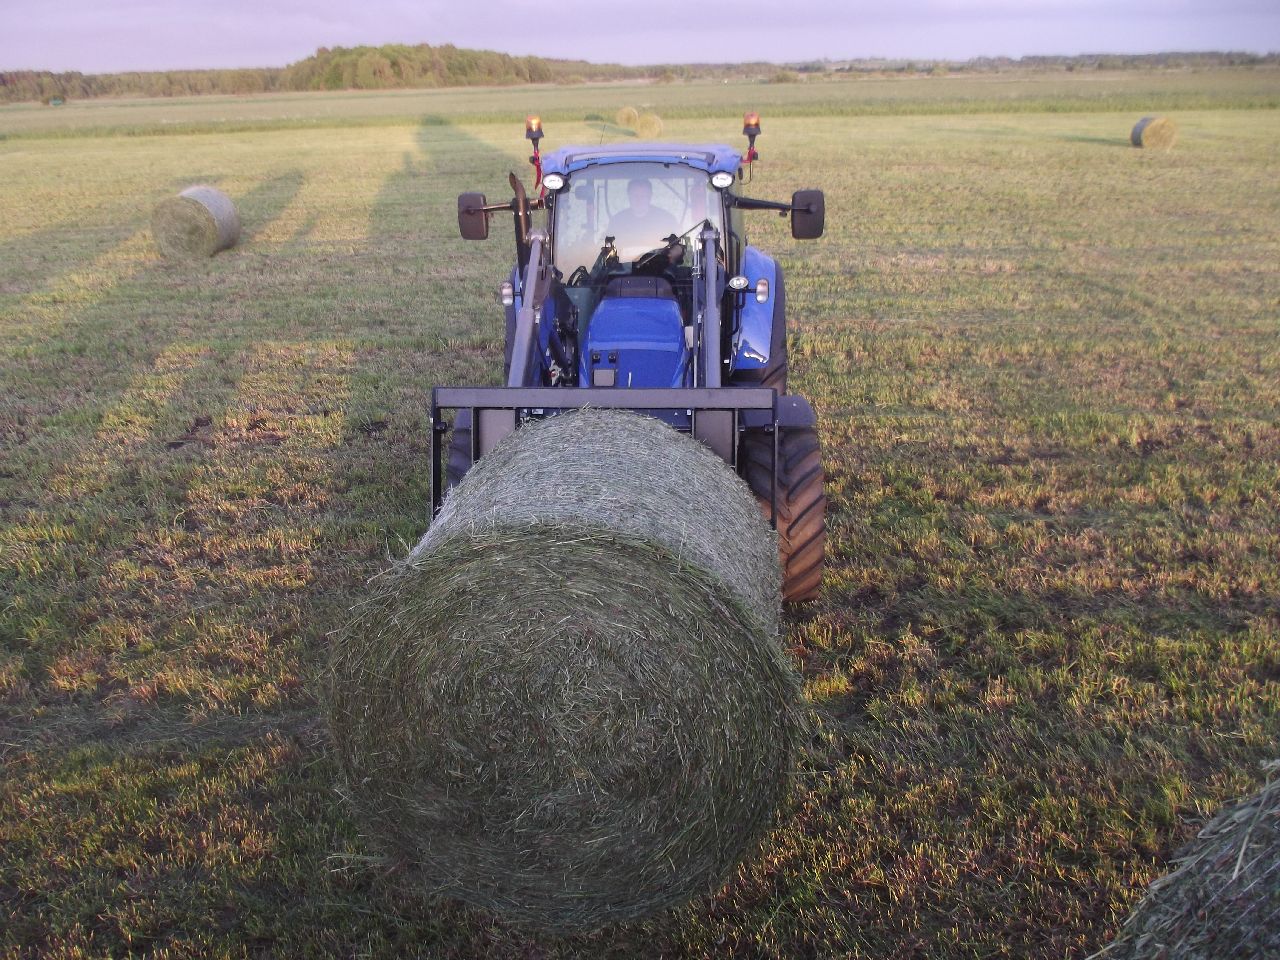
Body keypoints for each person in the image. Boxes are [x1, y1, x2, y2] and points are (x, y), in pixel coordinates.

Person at [607, 178, 678, 257]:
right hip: (625, 264)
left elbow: (678, 249)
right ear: (629, 196)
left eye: (643, 196)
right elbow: (608, 249)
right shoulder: (617, 222)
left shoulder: (667, 220)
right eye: (635, 196)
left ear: (650, 196)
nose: (639, 200)